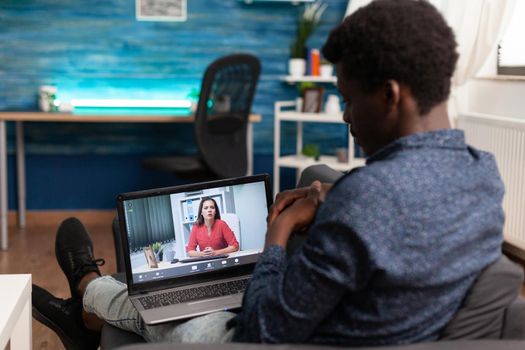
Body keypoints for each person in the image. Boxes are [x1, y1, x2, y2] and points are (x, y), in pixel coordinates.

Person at [32, 0, 505, 349]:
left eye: (348, 98)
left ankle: (85, 290)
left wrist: (277, 236)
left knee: (179, 311)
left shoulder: (366, 201)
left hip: (290, 339)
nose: (344, 117)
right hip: (370, 318)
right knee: (185, 290)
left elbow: (260, 330)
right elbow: (396, 202)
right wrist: (333, 193)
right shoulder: (483, 175)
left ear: (389, 94)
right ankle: (89, 310)